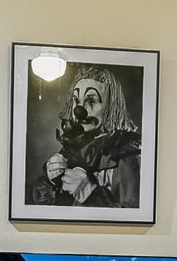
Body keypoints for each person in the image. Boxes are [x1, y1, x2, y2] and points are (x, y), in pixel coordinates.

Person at [38, 67, 140, 208]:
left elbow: (134, 217)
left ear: (111, 107)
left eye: (91, 101)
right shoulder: (71, 149)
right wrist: (52, 180)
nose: (79, 110)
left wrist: (90, 193)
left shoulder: (128, 155)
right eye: (76, 100)